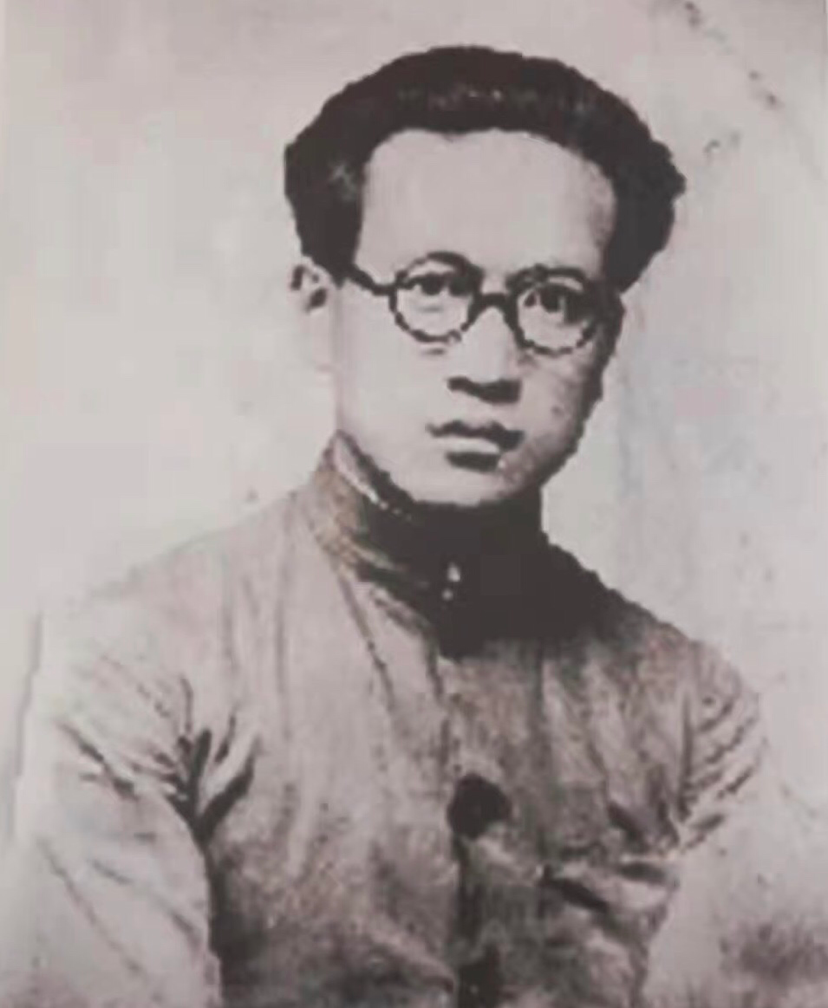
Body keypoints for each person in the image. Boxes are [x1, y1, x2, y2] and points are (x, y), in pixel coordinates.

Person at [0, 45, 821, 1008]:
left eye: (555, 302)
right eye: (434, 288)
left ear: (605, 347)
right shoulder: (138, 662)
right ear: (319, 309)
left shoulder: (692, 710)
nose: (488, 364)